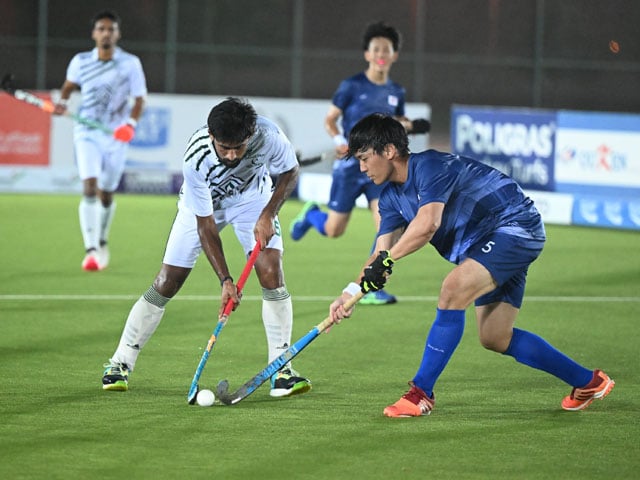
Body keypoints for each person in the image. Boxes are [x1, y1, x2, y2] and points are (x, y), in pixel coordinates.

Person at [329, 113, 615, 417]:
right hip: (485, 245)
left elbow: (427, 225)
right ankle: (588, 381)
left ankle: (420, 393)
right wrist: (350, 293)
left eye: (364, 158)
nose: (361, 168)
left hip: (514, 226)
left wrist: (388, 260)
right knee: (495, 336)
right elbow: (379, 254)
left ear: (388, 151)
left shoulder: (430, 166)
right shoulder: (390, 197)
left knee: (453, 288)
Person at [101, 98, 312, 399]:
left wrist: (268, 213)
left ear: (250, 135)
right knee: (166, 283)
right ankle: (120, 362)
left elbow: (290, 173)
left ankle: (281, 369)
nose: (231, 155)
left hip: (253, 201)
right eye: (224, 147)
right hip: (202, 209)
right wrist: (226, 280)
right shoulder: (196, 156)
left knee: (271, 272)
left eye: (238, 147)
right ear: (212, 136)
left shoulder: (269, 137)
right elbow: (206, 226)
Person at [289, 21, 429, 306]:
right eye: (375, 49)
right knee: (334, 229)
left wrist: (411, 125)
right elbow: (330, 119)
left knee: (386, 226)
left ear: (394, 56)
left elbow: (394, 125)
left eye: (386, 50)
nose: (380, 54)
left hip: (381, 169)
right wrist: (340, 139)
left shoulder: (396, 92)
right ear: (367, 54)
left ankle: (372, 285)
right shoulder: (351, 86)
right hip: (351, 167)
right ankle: (312, 215)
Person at [53, 10, 147, 271]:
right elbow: (69, 86)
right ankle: (91, 250)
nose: (106, 33)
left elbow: (140, 99)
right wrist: (61, 103)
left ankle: (102, 238)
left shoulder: (130, 63)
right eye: (101, 29)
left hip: (115, 136)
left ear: (117, 34)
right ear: (94, 33)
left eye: (111, 29)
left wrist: (130, 125)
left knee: (107, 193)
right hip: (87, 132)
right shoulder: (81, 61)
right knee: (90, 185)